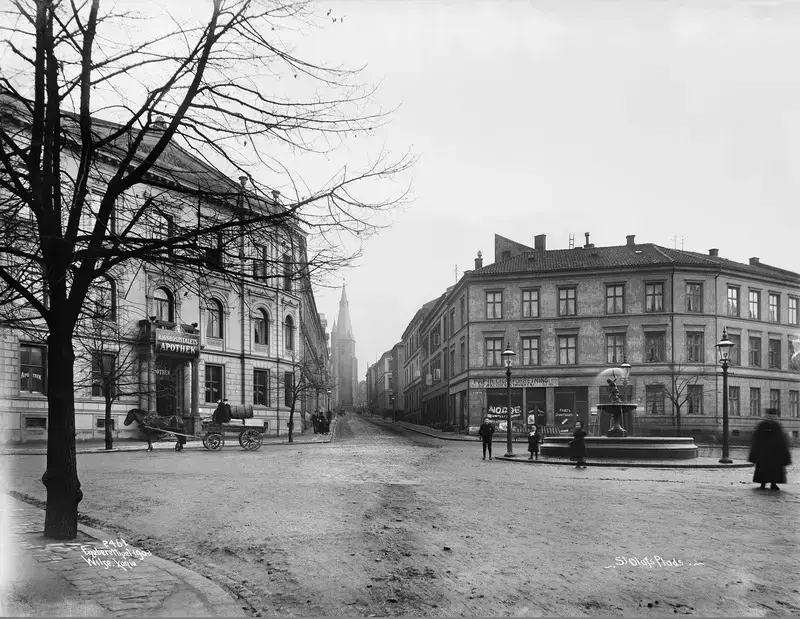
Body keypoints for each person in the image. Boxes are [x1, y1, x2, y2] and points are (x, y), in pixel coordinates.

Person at [749, 408, 791, 490]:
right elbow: (757, 439)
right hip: (764, 453)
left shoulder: (777, 426)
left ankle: (773, 483)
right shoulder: (762, 425)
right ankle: (763, 483)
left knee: (774, 470)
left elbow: (782, 440)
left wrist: (783, 453)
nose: (771, 418)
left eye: (773, 416)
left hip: (774, 453)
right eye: (770, 416)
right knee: (763, 469)